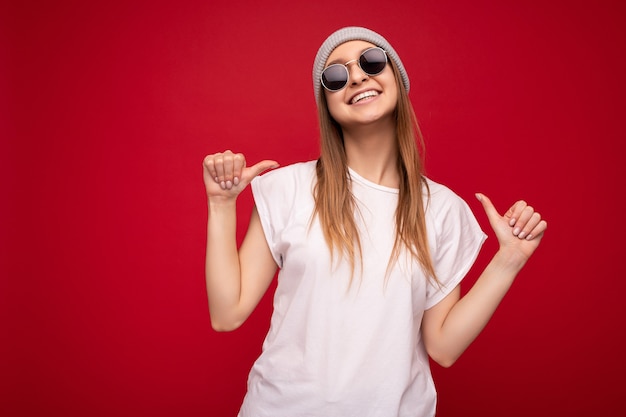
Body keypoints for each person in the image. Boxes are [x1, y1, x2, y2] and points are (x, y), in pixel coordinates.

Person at [202, 26, 547, 417]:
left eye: (372, 61)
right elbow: (227, 313)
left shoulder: (442, 210)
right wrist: (220, 204)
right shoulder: (288, 189)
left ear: (396, 78)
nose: (357, 76)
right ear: (327, 105)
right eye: (336, 76)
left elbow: (443, 348)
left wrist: (510, 259)